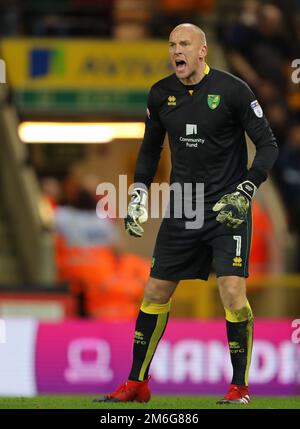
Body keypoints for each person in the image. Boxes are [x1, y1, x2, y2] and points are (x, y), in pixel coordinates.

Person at [95, 23, 278, 405]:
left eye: (184, 44)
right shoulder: (161, 94)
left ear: (202, 51)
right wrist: (140, 192)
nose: (176, 51)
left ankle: (239, 387)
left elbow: (268, 146)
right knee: (154, 291)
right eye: (172, 45)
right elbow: (149, 149)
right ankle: (136, 383)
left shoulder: (233, 91)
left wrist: (246, 189)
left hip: (228, 208)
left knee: (231, 292)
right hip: (184, 206)